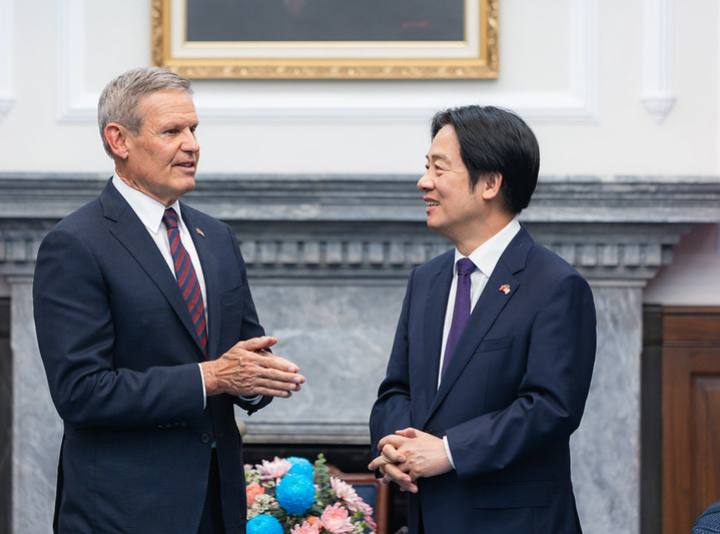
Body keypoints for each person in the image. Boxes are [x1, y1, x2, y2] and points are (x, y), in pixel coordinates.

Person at [33, 67, 306, 534]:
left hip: (215, 508)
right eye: (172, 131)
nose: (192, 144)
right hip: (123, 512)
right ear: (118, 140)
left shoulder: (216, 237)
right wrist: (213, 377)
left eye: (194, 129)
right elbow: (82, 393)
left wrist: (254, 379)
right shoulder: (76, 244)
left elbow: (241, 352)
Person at [368, 106, 596, 533]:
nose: (424, 182)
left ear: (490, 183)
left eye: (439, 168)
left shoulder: (556, 286)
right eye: (425, 167)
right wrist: (395, 446)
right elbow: (396, 389)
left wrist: (450, 452)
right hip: (425, 518)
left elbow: (550, 408)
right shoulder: (427, 280)